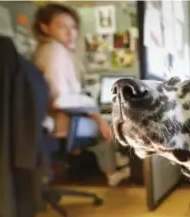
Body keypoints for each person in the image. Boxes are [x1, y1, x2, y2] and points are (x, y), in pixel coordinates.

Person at [32, 3, 130, 187]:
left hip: (52, 123)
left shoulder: (46, 51)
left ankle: (115, 162)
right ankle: (113, 169)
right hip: (60, 124)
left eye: (74, 28)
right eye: (62, 27)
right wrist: (95, 112)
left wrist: (94, 112)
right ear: (45, 27)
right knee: (112, 125)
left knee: (105, 123)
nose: (71, 34)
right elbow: (61, 99)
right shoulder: (55, 52)